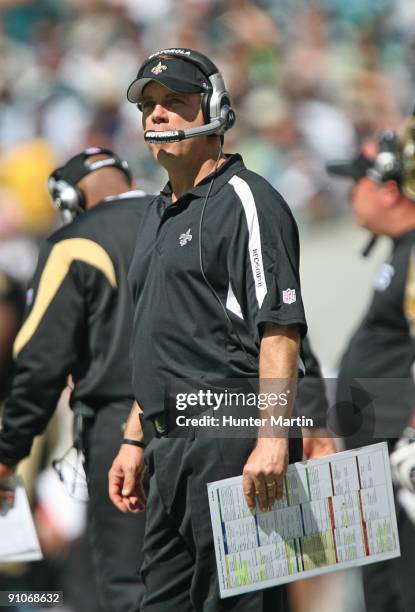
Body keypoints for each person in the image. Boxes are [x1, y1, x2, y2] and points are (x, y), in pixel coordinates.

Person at [109, 48, 309, 611]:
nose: (158, 114)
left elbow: (280, 328)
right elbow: (157, 337)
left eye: (174, 102)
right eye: (149, 104)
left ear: (216, 108)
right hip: (169, 447)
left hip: (230, 437)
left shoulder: (247, 199)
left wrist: (272, 438)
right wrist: (134, 435)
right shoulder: (157, 212)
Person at [0, 147, 154, 612]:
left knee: (129, 585)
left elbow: (42, 363)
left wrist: (7, 452)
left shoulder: (74, 241)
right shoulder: (188, 216)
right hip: (210, 416)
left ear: (69, 198)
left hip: (118, 425)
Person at [327, 124, 415, 612]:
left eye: (357, 182)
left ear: (387, 189)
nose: (350, 195)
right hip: (378, 462)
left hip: (401, 459)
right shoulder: (400, 256)